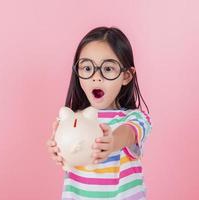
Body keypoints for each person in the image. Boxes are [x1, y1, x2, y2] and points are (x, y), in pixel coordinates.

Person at [47, 26, 153, 200]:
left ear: (126, 76)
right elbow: (63, 152)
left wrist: (111, 142)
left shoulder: (136, 118)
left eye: (108, 69)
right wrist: (57, 149)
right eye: (87, 68)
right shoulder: (70, 119)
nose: (96, 77)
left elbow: (128, 133)